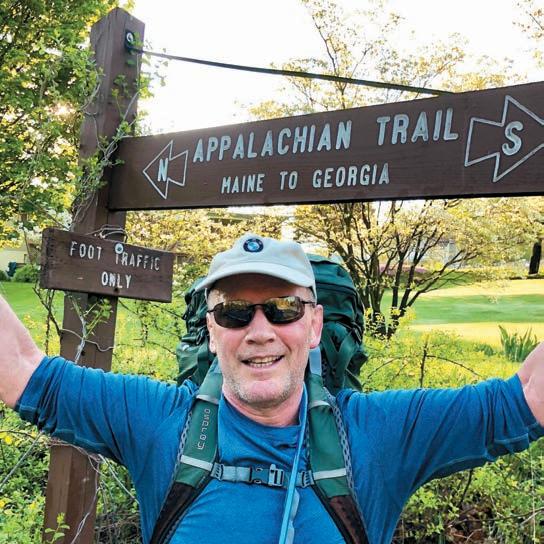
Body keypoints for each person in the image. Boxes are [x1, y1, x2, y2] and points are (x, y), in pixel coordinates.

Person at [1, 232, 543, 544]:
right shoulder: (158, 422)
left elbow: (522, 399)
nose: (259, 331)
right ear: (212, 330)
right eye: (234, 312)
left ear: (314, 324)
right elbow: (23, 367)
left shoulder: (381, 434)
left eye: (283, 308)